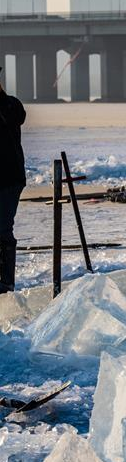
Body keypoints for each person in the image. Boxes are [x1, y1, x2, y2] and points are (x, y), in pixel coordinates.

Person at [0, 68, 27, 293]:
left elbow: (18, 116)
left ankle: (6, 281)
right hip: (10, 177)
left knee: (2, 229)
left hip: (9, 178)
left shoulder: (10, 106)